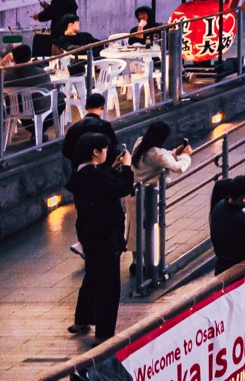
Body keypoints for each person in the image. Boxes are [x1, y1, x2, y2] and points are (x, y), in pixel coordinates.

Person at [67, 134, 133, 337]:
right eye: (104, 149)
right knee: (108, 287)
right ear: (96, 152)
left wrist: (111, 169)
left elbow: (101, 185)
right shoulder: (96, 176)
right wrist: (128, 167)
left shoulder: (82, 174)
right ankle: (104, 333)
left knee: (92, 277)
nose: (106, 152)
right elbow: (122, 187)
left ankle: (82, 319)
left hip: (89, 236)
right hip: (106, 237)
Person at [128, 121, 191, 274]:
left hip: (132, 192)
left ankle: (137, 261)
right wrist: (185, 156)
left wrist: (176, 152)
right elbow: (178, 167)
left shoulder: (140, 143)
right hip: (147, 195)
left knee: (134, 227)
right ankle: (148, 264)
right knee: (147, 226)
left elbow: (165, 155)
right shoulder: (156, 153)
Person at [62, 93, 116, 184]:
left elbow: (66, 152)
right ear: (102, 107)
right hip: (103, 175)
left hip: (80, 175)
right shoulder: (105, 126)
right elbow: (113, 149)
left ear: (86, 107)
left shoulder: (73, 128)